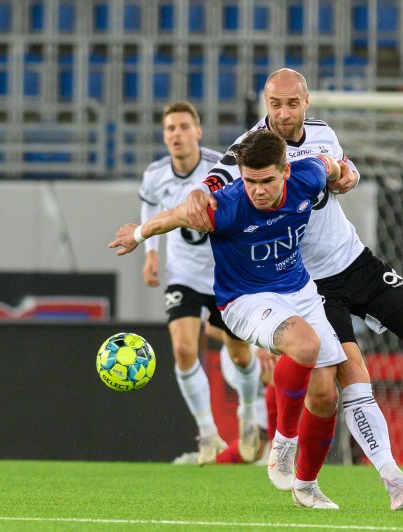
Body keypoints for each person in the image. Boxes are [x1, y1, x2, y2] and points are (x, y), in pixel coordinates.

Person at [185, 68, 403, 510]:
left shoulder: (324, 133)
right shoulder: (251, 149)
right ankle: (392, 478)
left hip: (354, 259)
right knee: (351, 376)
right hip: (307, 282)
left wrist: (351, 175)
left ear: (307, 102)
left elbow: (342, 170)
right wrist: (196, 194)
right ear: (264, 105)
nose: (283, 114)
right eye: (274, 104)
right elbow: (215, 182)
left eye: (292, 104)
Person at [112, 130, 347, 509]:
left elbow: (332, 165)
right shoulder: (227, 205)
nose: (258, 191)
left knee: (324, 394)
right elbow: (174, 216)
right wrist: (138, 234)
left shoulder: (309, 175)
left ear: (286, 171)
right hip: (245, 300)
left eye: (267, 181)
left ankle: (306, 487)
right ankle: (283, 445)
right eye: (250, 181)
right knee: (305, 345)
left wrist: (346, 171)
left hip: (299, 292)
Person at [138, 101, 261, 465]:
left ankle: (249, 416)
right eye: (170, 128)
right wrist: (151, 254)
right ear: (164, 136)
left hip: (226, 274)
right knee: (184, 350)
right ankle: (207, 433)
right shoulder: (155, 175)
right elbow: (148, 209)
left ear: (198, 131)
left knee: (240, 353)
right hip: (184, 275)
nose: (176, 134)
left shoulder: (219, 168)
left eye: (182, 127)